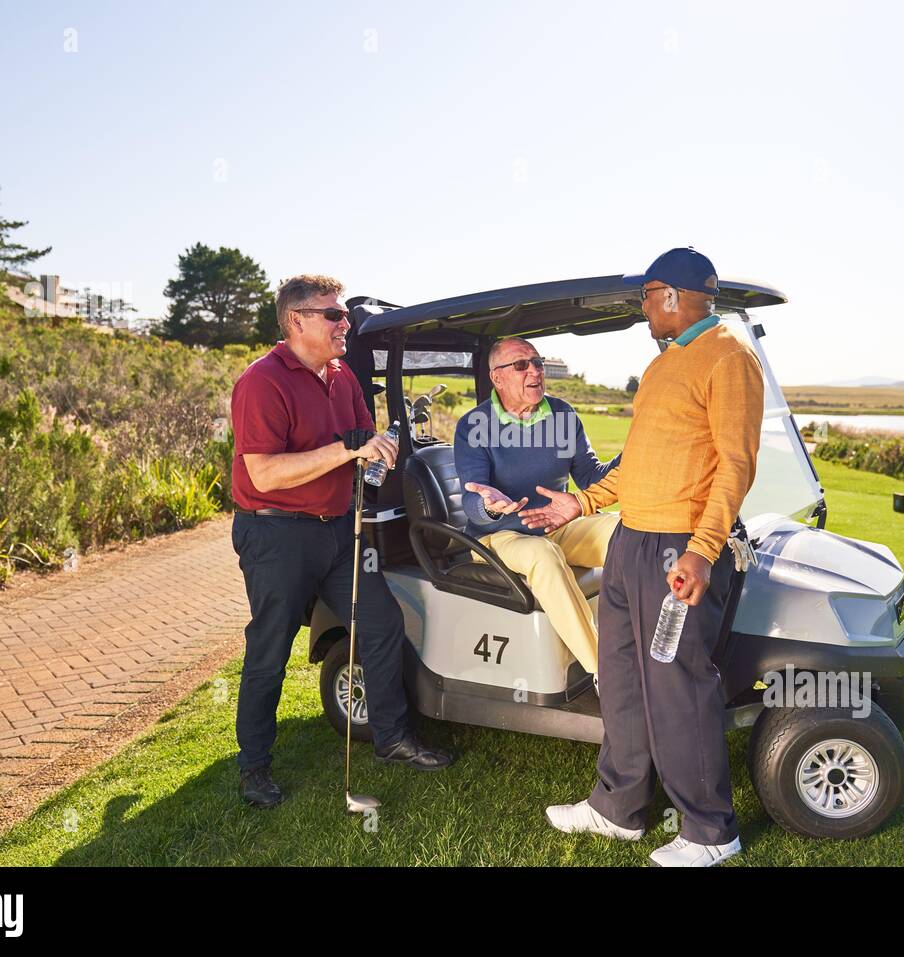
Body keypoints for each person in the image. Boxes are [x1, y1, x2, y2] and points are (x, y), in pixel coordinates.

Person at [521, 248, 764, 867]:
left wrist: (704, 550)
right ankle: (619, 808)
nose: (642, 309)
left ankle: (711, 832)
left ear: (675, 295)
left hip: (677, 551)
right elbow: (637, 465)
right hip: (631, 540)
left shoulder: (730, 358)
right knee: (623, 679)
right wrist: (579, 505)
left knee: (677, 686)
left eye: (647, 296)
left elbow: (735, 466)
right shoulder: (663, 366)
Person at [229, 274, 454, 809]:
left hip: (338, 528)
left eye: (343, 315)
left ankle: (392, 738)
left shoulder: (343, 378)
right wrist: (347, 451)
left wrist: (380, 453)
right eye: (333, 315)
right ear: (297, 321)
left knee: (380, 623)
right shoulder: (261, 382)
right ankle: (254, 766)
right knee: (271, 646)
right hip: (275, 532)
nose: (344, 322)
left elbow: (361, 444)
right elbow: (264, 474)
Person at [453, 336, 620, 681]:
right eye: (521, 365)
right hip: (497, 536)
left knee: (628, 531)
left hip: (557, 525)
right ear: (497, 378)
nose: (535, 371)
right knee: (543, 555)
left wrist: (631, 454)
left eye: (538, 362)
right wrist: (491, 506)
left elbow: (590, 477)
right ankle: (605, 673)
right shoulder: (473, 426)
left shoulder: (562, 414)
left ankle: (650, 643)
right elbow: (473, 502)